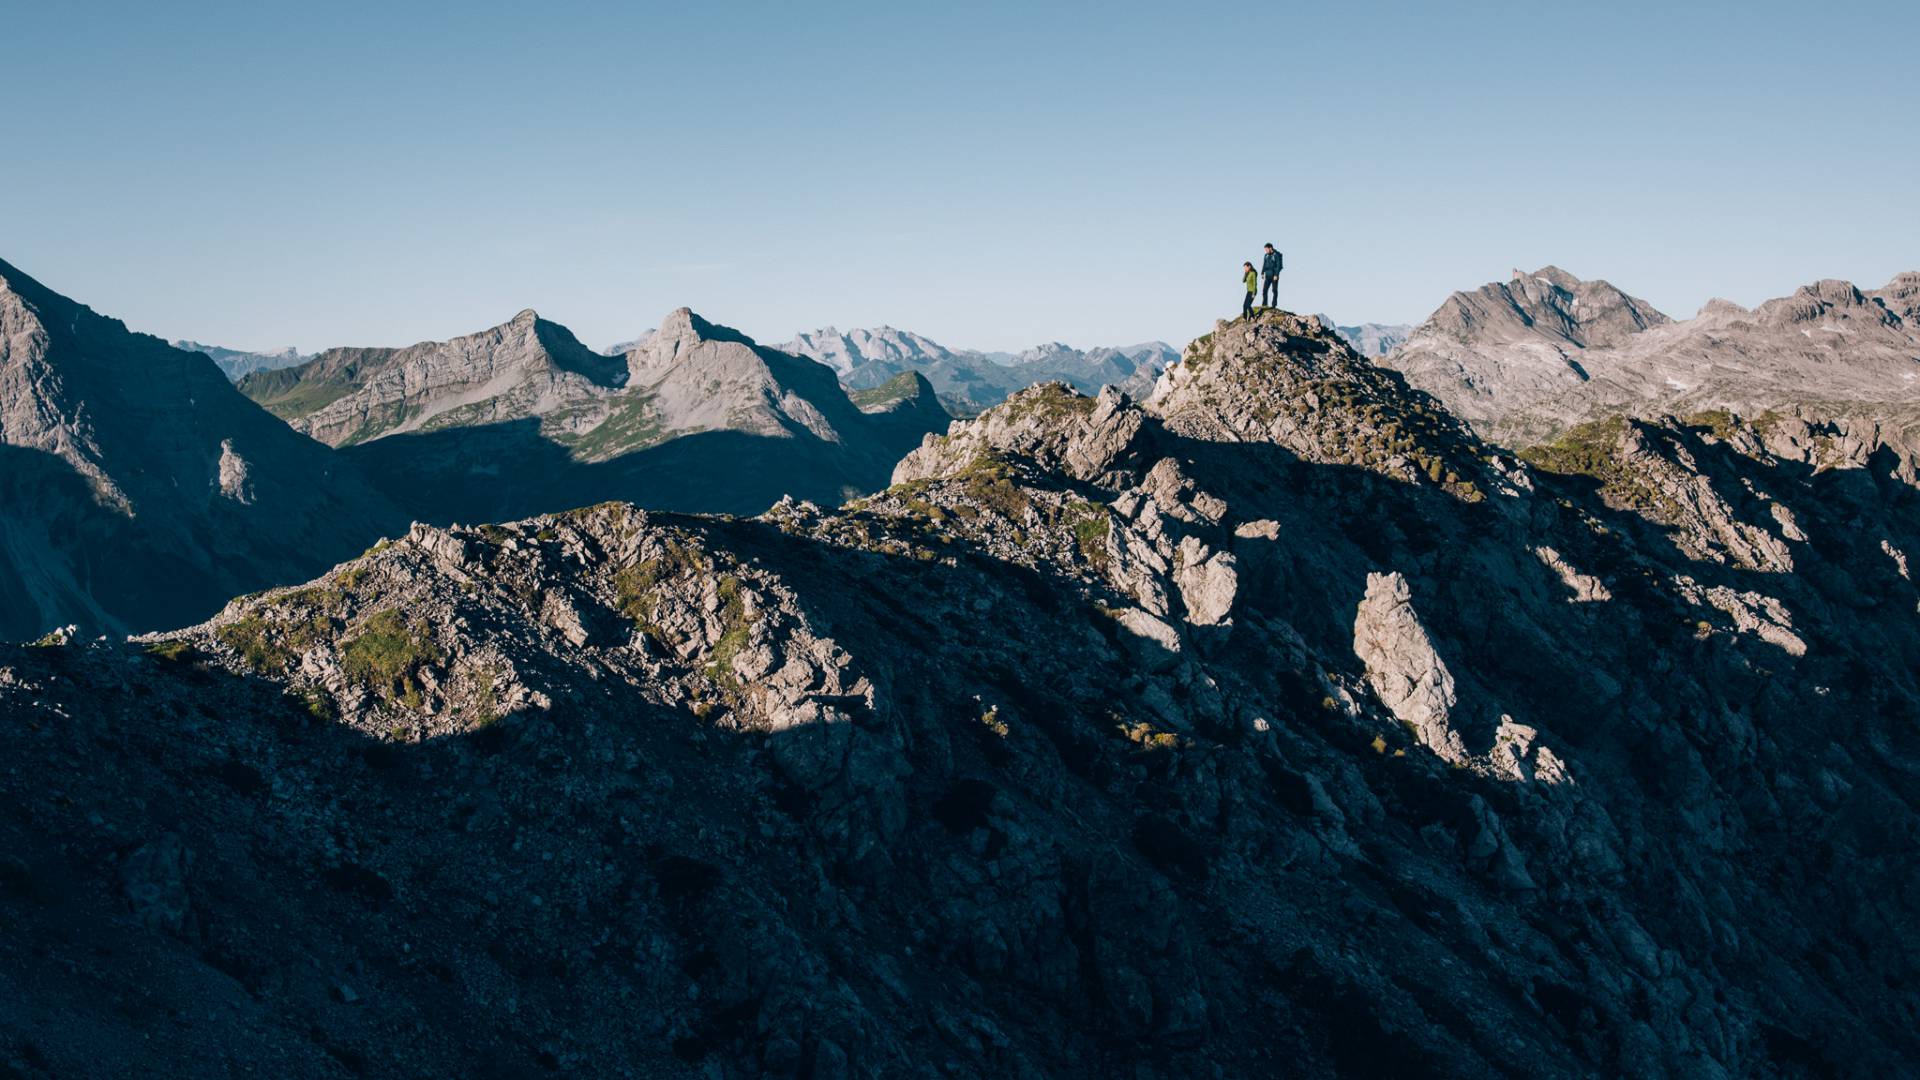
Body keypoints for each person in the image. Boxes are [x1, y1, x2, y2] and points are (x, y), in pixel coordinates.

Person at [1260, 243, 1282, 309]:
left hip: (1274, 275)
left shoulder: (1276, 255)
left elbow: (1278, 266)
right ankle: (1264, 304)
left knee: (1274, 290)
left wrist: (1276, 275)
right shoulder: (1266, 255)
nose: (1266, 251)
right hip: (1267, 275)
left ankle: (1274, 305)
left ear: (1270, 248)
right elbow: (1264, 264)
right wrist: (1262, 272)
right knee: (1264, 290)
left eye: (1266, 249)